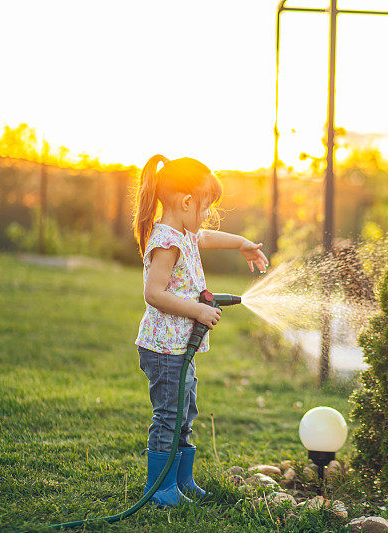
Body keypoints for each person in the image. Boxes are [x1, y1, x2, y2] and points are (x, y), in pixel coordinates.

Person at [132, 154, 268, 507]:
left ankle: (181, 480)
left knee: (185, 411)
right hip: (163, 350)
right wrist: (199, 310)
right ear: (187, 201)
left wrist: (240, 243)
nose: (207, 214)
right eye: (206, 206)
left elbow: (205, 235)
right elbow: (153, 293)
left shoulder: (186, 233)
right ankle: (160, 489)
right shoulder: (168, 241)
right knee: (169, 416)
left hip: (179, 349)